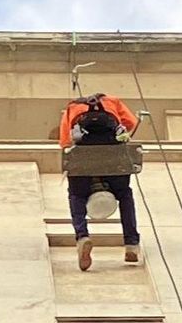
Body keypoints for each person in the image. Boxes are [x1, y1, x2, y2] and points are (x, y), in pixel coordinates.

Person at [59, 93, 141, 271]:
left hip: (83, 160)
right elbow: (131, 124)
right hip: (113, 158)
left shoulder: (72, 107)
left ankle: (82, 236)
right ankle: (131, 244)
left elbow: (65, 141)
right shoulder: (113, 101)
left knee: (76, 195)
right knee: (125, 194)